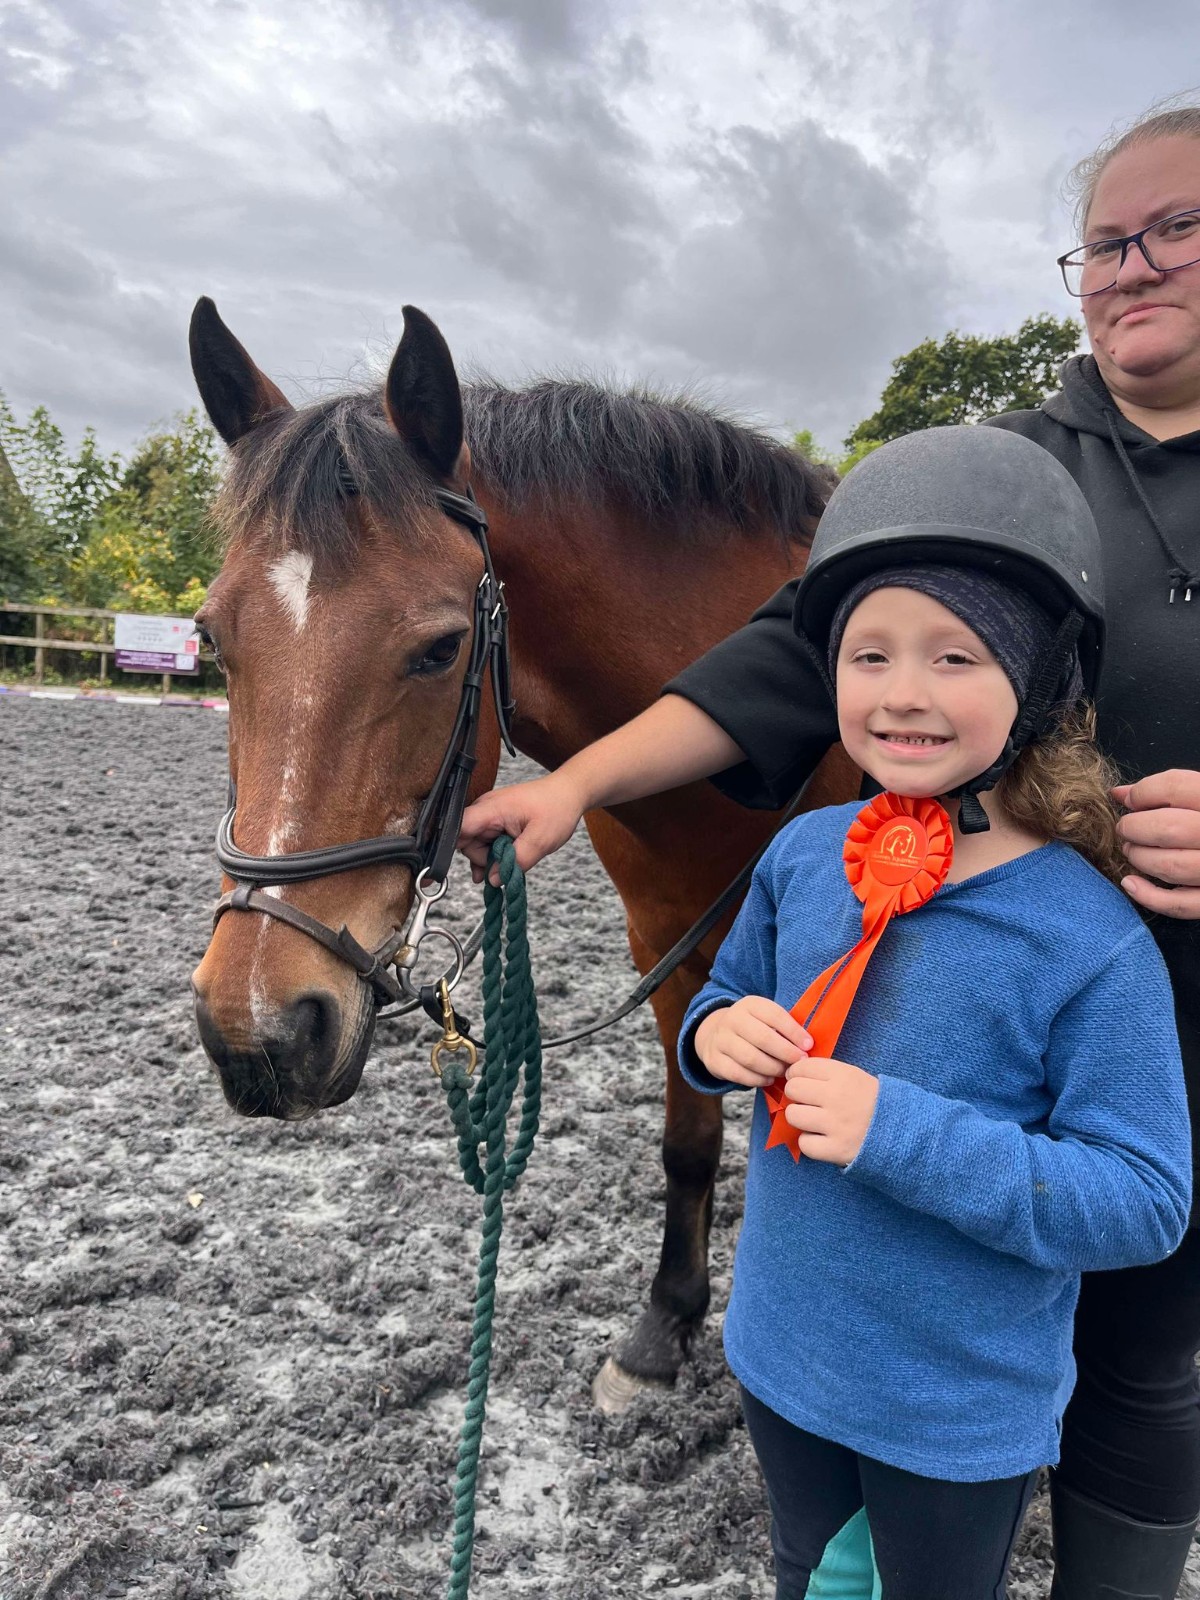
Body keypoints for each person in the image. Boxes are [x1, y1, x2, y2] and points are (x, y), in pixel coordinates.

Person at [459, 102, 1200, 1597]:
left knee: (1146, 1343)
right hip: (978, 957)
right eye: (1108, 240)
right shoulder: (991, 469)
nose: (1136, 264)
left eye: (1176, 228)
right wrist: (572, 784)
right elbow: (788, 665)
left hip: (1138, 979)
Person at [680, 423, 1189, 1599]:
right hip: (780, 1351)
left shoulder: (1088, 937)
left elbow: (1145, 1198)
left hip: (954, 1409)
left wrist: (895, 1132)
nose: (904, 693)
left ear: (1040, 677)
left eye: (957, 656)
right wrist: (716, 1037)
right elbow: (721, 995)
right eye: (870, 655)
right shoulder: (805, 856)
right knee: (809, 1571)